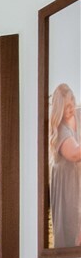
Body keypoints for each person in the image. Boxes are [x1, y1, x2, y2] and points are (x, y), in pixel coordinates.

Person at [49, 82, 81, 249]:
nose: (72, 107)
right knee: (71, 237)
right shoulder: (60, 129)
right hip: (67, 189)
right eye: (67, 106)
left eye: (73, 101)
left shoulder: (79, 115)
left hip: (79, 183)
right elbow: (75, 154)